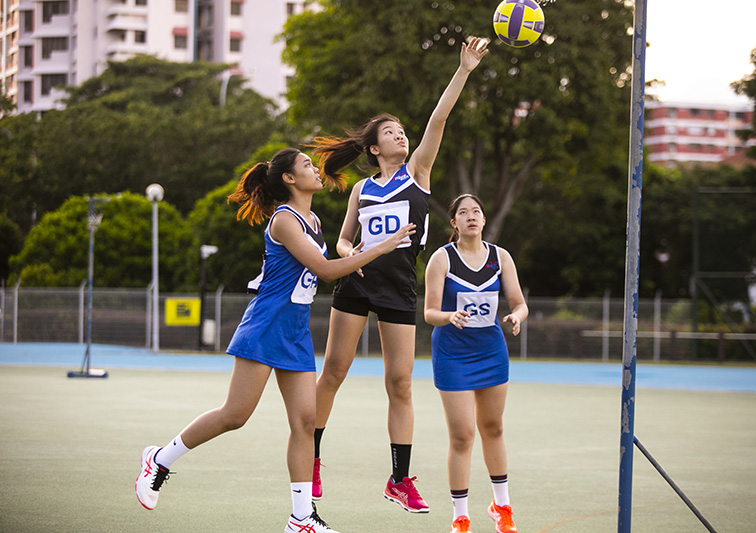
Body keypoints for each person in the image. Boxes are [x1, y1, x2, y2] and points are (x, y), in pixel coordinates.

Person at [134, 148, 415, 533]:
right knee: (235, 415)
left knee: (305, 421)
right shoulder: (284, 220)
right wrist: (380, 249)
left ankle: (301, 518)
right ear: (288, 179)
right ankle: (160, 458)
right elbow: (327, 270)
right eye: (306, 166)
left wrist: (360, 250)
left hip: (295, 332)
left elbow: (333, 261)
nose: (315, 170)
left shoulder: (313, 219)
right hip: (266, 326)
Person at [309, 37, 490, 513]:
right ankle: (310, 459)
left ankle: (398, 479)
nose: (402, 136)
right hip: (357, 283)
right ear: (373, 147)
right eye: (391, 133)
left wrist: (464, 69)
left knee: (401, 384)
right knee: (333, 371)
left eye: (402, 131)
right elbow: (343, 241)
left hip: (398, 289)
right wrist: (356, 254)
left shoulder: (417, 175)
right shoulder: (363, 189)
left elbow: (438, 120)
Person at [423, 194, 528, 533]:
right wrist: (448, 316)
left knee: (493, 428)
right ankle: (460, 516)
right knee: (463, 435)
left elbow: (519, 303)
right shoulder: (442, 259)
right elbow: (429, 312)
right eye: (463, 213)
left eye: (477, 212)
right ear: (453, 222)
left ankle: (502, 507)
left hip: (491, 352)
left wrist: (516, 316)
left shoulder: (501, 257)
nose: (471, 217)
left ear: (484, 220)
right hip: (453, 355)